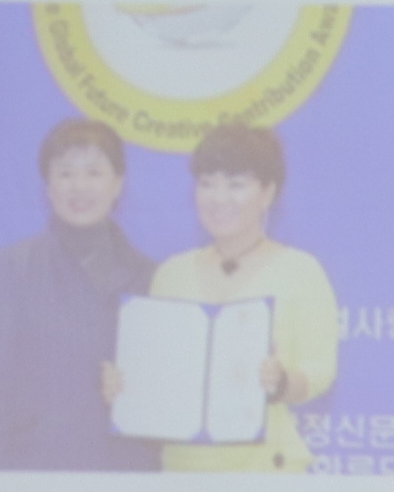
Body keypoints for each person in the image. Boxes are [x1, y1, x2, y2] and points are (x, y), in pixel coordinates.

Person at [116, 120, 344, 474]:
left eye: (236, 184)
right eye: (207, 183)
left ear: (267, 193)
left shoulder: (301, 271)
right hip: (182, 472)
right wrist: (126, 388)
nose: (218, 198)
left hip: (267, 473)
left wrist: (281, 382)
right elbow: (157, 376)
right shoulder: (171, 274)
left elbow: (320, 371)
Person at [0, 116, 157, 473]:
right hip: (34, 476)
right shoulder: (12, 269)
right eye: (65, 173)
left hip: (125, 481)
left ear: (118, 184)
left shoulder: (150, 278)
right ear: (48, 186)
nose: (79, 187)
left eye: (94, 173)